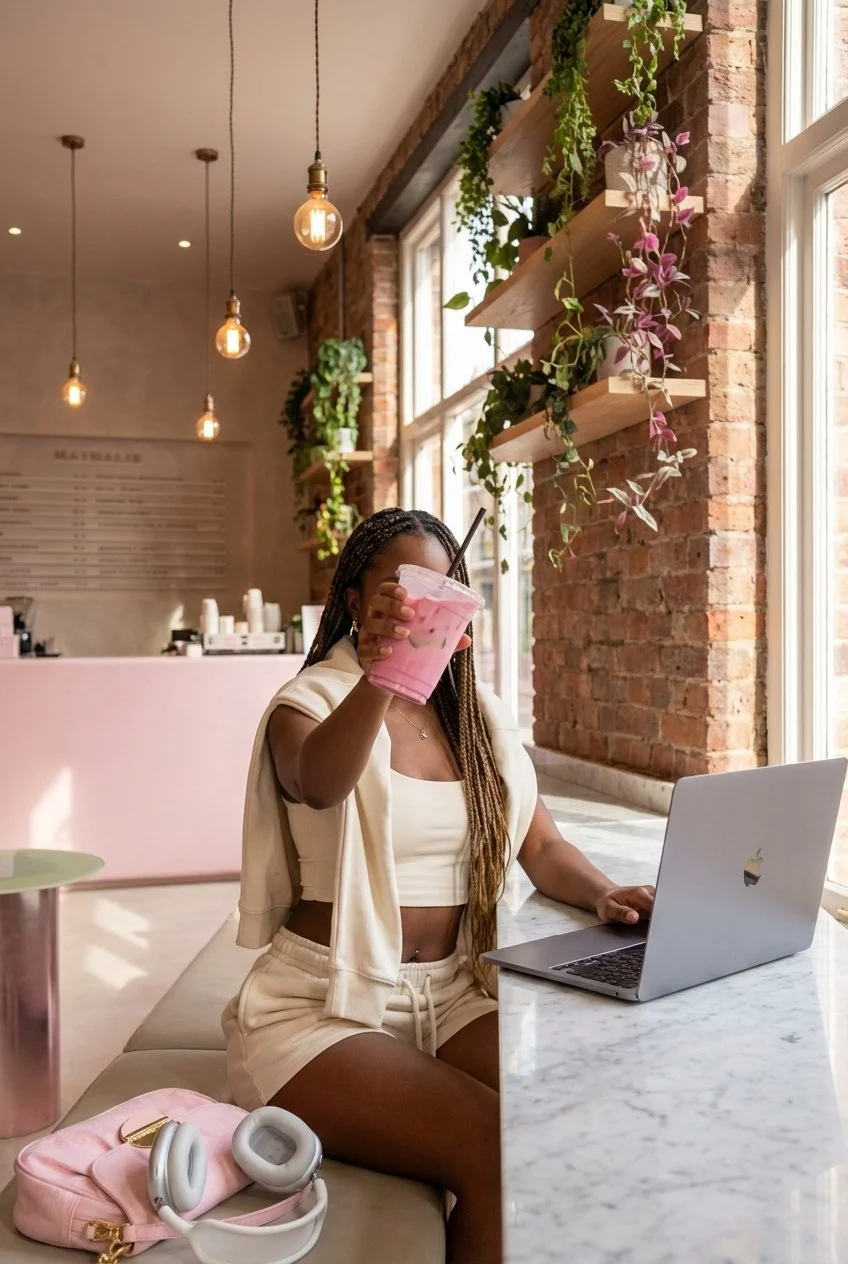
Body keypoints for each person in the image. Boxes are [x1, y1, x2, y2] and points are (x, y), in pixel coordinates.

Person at [223, 507, 654, 1264]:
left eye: (441, 588)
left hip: (452, 996)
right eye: (402, 586)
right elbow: (318, 782)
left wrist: (602, 893)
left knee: (584, 1104)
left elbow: (543, 843)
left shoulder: (477, 719)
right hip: (321, 1007)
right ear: (356, 601)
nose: (423, 604)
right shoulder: (312, 702)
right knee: (490, 1142)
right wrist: (387, 674)